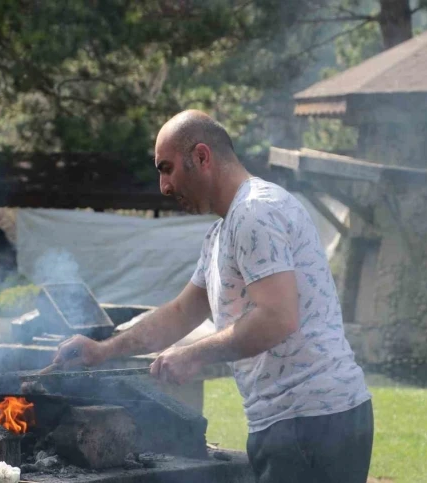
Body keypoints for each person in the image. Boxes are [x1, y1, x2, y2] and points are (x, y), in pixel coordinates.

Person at [51, 110, 373, 483]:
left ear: (202, 156)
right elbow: (180, 312)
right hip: (289, 424)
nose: (164, 186)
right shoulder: (221, 233)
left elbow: (278, 316)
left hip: (314, 422)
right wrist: (102, 350)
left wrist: (195, 354)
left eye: (167, 168)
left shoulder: (256, 211)